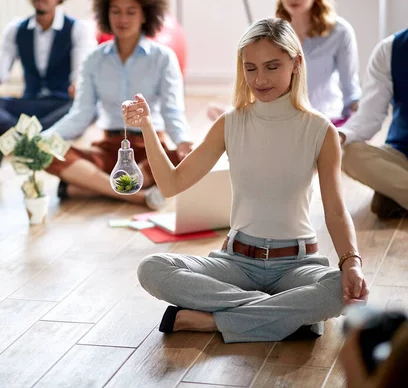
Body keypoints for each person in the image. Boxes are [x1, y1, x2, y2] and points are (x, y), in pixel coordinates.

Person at [130, 18, 369, 343]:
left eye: (272, 66)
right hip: (236, 263)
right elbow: (172, 183)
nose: (260, 78)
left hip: (297, 265)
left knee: (340, 291)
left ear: (296, 63)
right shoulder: (231, 123)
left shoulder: (320, 130)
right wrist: (146, 126)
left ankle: (212, 321)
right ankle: (288, 317)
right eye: (251, 68)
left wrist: (351, 263)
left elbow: (337, 211)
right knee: (153, 268)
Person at [43, 0, 192, 210]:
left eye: (131, 12)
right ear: (105, 13)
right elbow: (80, 114)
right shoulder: (94, 59)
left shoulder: (163, 58)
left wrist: (182, 142)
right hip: (108, 149)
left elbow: (172, 112)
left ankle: (85, 187)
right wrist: (42, 139)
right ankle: (137, 195)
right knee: (46, 154)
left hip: (151, 149)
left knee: (190, 159)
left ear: (145, 14)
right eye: (116, 11)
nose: (122, 19)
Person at [207, 0, 361, 126]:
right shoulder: (270, 33)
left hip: (324, 116)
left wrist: (356, 125)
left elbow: (350, 89)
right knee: (217, 112)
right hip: (279, 115)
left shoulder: (341, 32)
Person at [0, 0, 96, 134]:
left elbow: (79, 75)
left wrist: (78, 87)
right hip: (29, 104)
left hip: (60, 104)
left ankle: (25, 135)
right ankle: (35, 136)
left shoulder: (77, 29)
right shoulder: (15, 29)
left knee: (87, 108)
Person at [338, 28, 408, 219]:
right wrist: (339, 136)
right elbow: (369, 116)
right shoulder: (389, 50)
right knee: (349, 153)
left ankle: (395, 196)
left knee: (384, 202)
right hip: (402, 156)